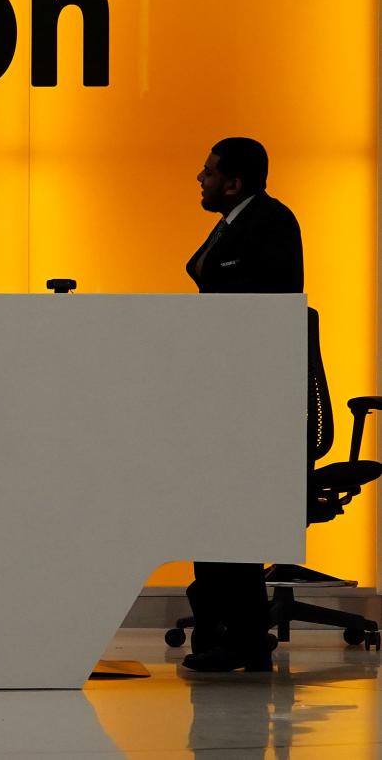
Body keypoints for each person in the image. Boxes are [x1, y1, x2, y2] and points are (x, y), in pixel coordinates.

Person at [181, 138, 304, 672]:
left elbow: (267, 307)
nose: (200, 179)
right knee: (213, 507)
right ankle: (223, 630)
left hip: (250, 395)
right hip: (222, 389)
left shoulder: (271, 223)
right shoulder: (233, 220)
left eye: (208, 172)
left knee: (228, 509)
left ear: (234, 182)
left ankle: (239, 635)